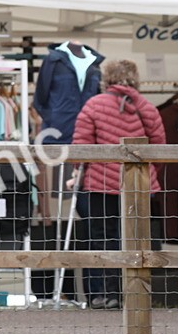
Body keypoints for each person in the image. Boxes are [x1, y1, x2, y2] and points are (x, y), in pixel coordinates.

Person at [69, 59, 166, 309]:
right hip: (137, 185)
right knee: (136, 239)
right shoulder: (146, 107)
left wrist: (77, 174)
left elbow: (81, 147)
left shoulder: (93, 105)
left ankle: (104, 294)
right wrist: (150, 173)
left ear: (106, 78)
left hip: (100, 185)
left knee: (102, 237)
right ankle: (133, 294)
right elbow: (160, 147)